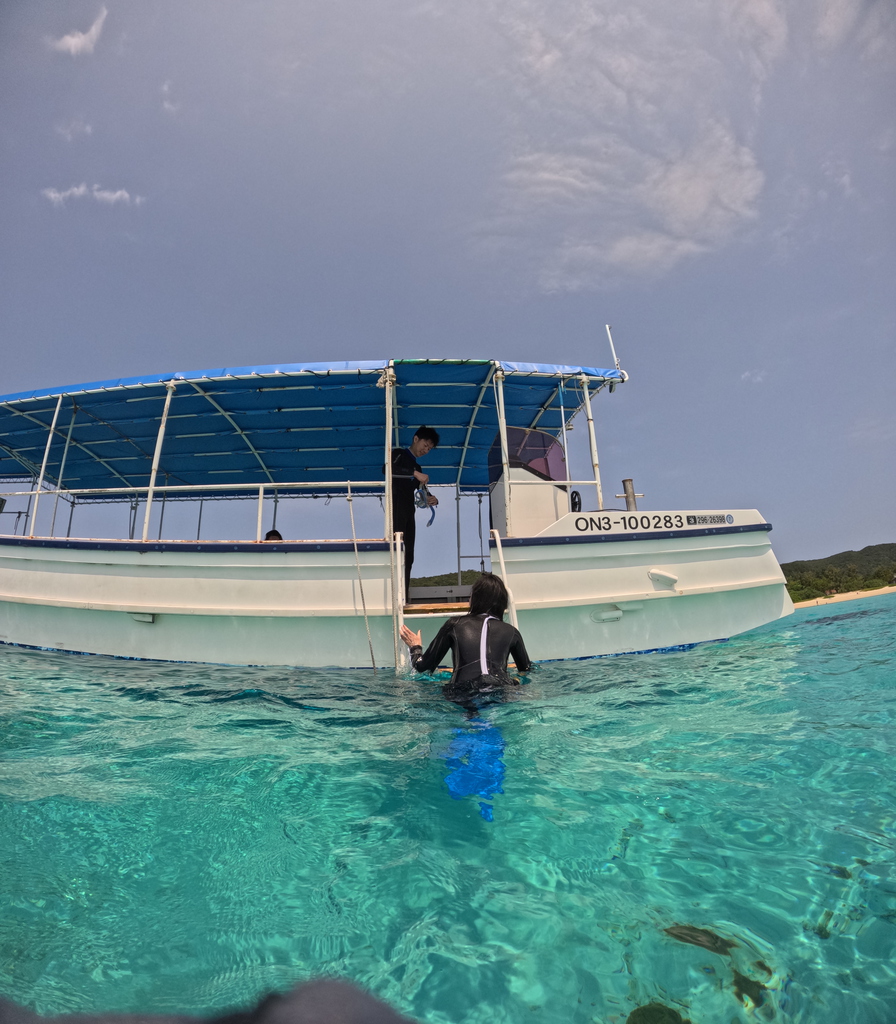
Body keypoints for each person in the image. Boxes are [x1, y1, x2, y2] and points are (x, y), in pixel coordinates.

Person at [399, 573, 531, 708]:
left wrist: (415, 647)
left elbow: (423, 668)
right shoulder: (512, 631)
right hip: (501, 690)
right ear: (503, 603)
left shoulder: (454, 624)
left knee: (469, 717)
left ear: (474, 599)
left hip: (461, 691)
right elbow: (526, 671)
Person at [389, 425, 439, 593]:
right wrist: (414, 473)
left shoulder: (419, 468)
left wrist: (430, 498)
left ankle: (404, 595)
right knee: (397, 550)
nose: (426, 450)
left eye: (430, 449)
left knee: (409, 555)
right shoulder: (398, 454)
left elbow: (421, 490)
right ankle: (394, 592)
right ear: (416, 439)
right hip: (396, 508)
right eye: (425, 445)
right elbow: (387, 469)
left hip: (410, 511)